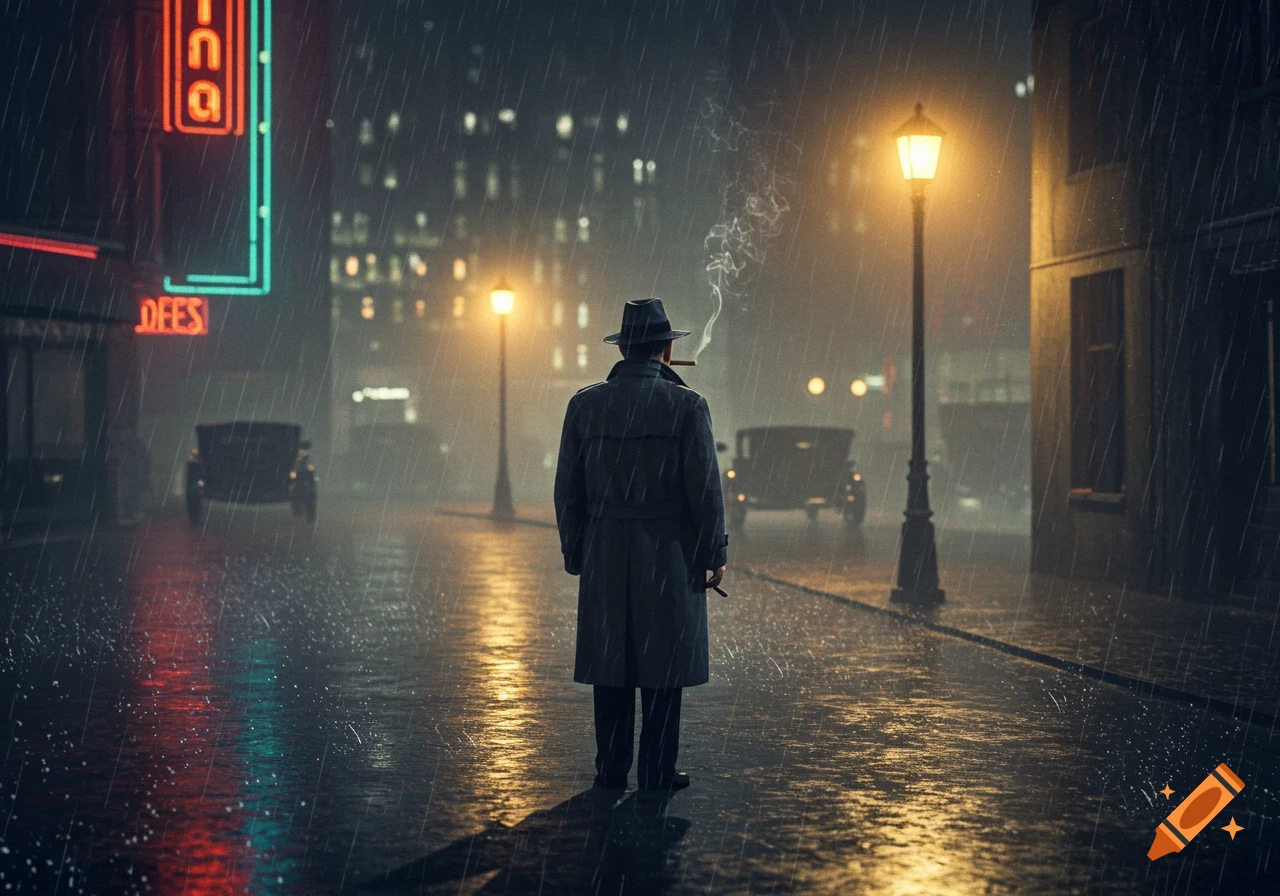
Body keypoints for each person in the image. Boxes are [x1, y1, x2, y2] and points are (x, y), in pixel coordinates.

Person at [554, 297, 728, 791]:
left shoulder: (585, 405)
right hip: (668, 550)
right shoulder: (688, 406)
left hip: (605, 549)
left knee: (611, 665)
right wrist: (714, 552)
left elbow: (568, 489)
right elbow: (704, 490)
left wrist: (576, 549)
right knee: (663, 666)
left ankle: (611, 767)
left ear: (625, 347)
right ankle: (656, 768)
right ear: (667, 351)